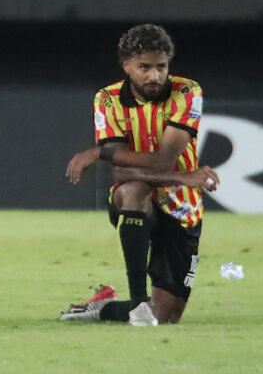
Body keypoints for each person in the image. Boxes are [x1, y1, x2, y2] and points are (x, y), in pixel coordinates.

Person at [62, 24, 219, 326]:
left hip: (181, 208)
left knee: (167, 316)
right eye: (144, 67)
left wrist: (102, 152)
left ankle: (103, 306)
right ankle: (137, 303)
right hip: (135, 201)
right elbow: (120, 172)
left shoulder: (187, 92)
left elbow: (163, 161)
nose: (154, 76)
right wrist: (184, 177)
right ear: (127, 66)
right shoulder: (107, 99)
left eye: (161, 67)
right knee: (133, 188)